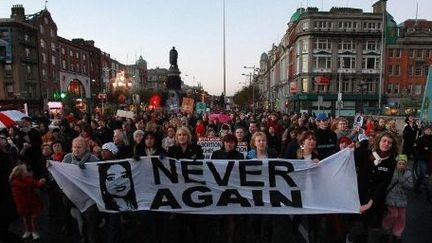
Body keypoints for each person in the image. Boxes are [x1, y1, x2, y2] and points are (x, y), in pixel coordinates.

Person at [357, 131, 398, 243]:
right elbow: (349, 161)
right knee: (358, 229)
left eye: (389, 142)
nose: (386, 144)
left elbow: (384, 184)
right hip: (359, 198)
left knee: (373, 231)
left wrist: (371, 202)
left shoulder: (391, 162)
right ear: (378, 141)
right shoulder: (365, 154)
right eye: (384, 141)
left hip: (376, 202)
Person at [382, 154, 413, 243]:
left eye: (403, 164)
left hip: (402, 198)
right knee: (394, 214)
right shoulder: (391, 171)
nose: (401, 166)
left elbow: (411, 186)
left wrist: (402, 180)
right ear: (396, 164)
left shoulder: (408, 173)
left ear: (406, 165)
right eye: (400, 163)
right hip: (391, 196)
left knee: (401, 217)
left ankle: (396, 233)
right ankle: (385, 228)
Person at [9, 164, 46, 240]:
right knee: (33, 218)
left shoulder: (13, 182)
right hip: (31, 202)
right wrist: (42, 181)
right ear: (22, 173)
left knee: (26, 218)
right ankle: (34, 232)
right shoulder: (27, 180)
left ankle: (28, 231)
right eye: (25, 171)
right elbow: (37, 184)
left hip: (22, 205)